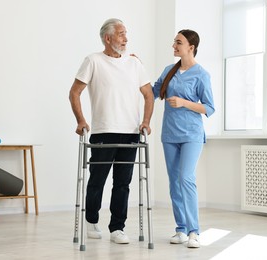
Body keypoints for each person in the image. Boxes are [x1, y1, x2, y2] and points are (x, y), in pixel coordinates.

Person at [69, 18, 154, 244]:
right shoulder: (93, 61)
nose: (126, 38)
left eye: (126, 33)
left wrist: (146, 121)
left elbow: (148, 94)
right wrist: (80, 120)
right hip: (103, 131)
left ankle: (117, 227)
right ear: (108, 38)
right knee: (98, 180)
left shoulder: (135, 64)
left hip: (130, 132)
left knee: (123, 183)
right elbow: (74, 92)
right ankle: (91, 221)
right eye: (121, 34)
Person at [152, 29, 215, 248]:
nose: (174, 46)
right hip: (169, 134)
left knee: (186, 178)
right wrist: (135, 69)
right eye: (174, 42)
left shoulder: (201, 74)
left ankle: (194, 232)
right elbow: (152, 92)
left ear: (191, 47)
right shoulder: (170, 70)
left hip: (191, 135)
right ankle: (180, 229)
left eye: (178, 42)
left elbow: (209, 108)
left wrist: (184, 102)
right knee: (174, 183)